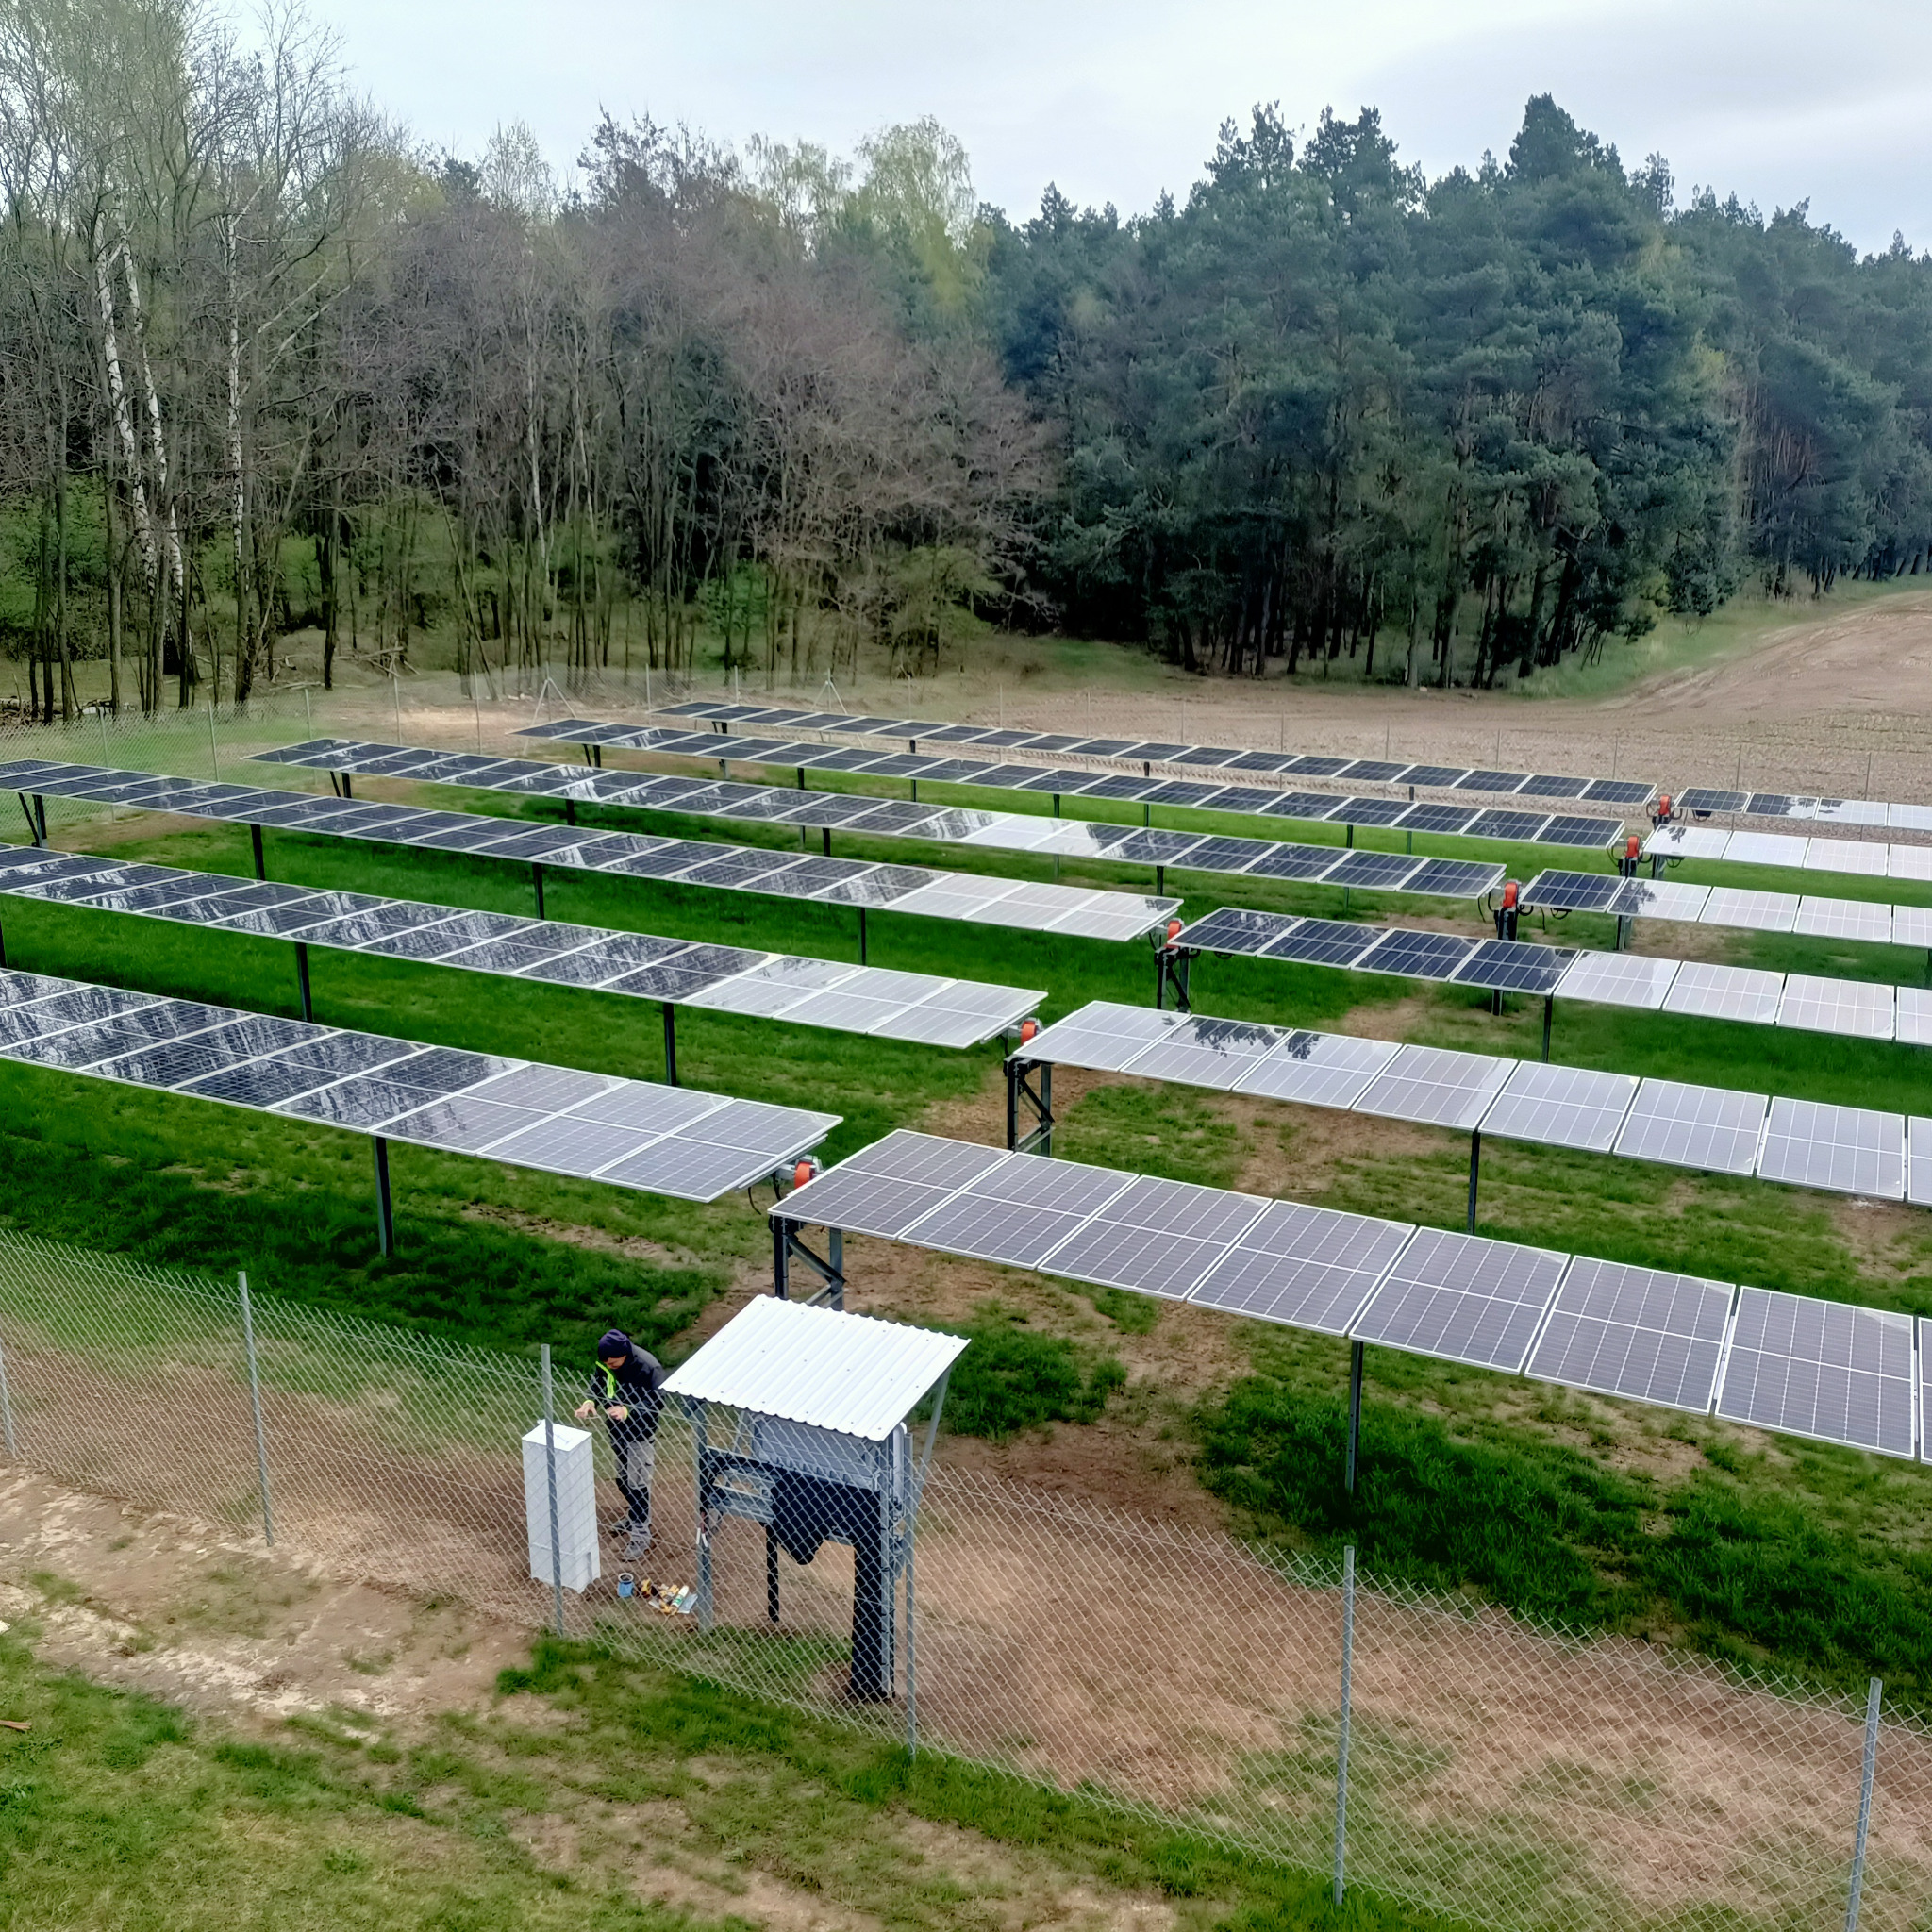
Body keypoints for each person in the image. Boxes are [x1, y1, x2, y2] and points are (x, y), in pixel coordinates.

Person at [575, 1329, 664, 1559]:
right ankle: (635, 1516)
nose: (609, 1365)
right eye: (606, 1362)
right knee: (623, 1480)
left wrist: (628, 1411)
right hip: (617, 1431)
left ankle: (641, 1535)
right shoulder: (608, 1362)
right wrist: (589, 1401)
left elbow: (657, 1401)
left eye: (613, 1362)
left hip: (639, 1435)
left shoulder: (649, 1367)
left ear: (625, 1354)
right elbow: (598, 1381)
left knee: (637, 1484)